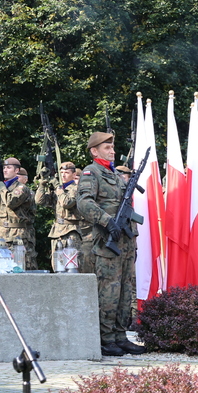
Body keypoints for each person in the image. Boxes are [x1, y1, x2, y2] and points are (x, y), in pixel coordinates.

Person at [76, 132, 144, 356]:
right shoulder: (91, 172)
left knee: (125, 289)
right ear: (94, 151)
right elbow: (84, 203)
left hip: (125, 241)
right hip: (107, 241)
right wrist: (107, 221)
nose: (112, 151)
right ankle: (106, 339)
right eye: (107, 148)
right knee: (109, 291)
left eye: (112, 147)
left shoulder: (114, 174)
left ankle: (120, 336)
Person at [0, 157, 37, 269]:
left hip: (17, 234)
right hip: (1, 233)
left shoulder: (21, 188)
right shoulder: (3, 186)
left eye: (9, 168)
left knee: (19, 266)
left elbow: (11, 202)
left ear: (16, 171)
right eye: (4, 168)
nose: (5, 170)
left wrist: (1, 187)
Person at [36, 161, 93, 273]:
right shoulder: (59, 190)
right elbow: (39, 201)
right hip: (57, 231)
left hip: (71, 231)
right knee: (57, 265)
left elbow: (67, 203)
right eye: (61, 172)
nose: (63, 175)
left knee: (72, 266)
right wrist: (42, 185)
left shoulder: (77, 189)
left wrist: (58, 188)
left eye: (66, 172)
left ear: (73, 174)